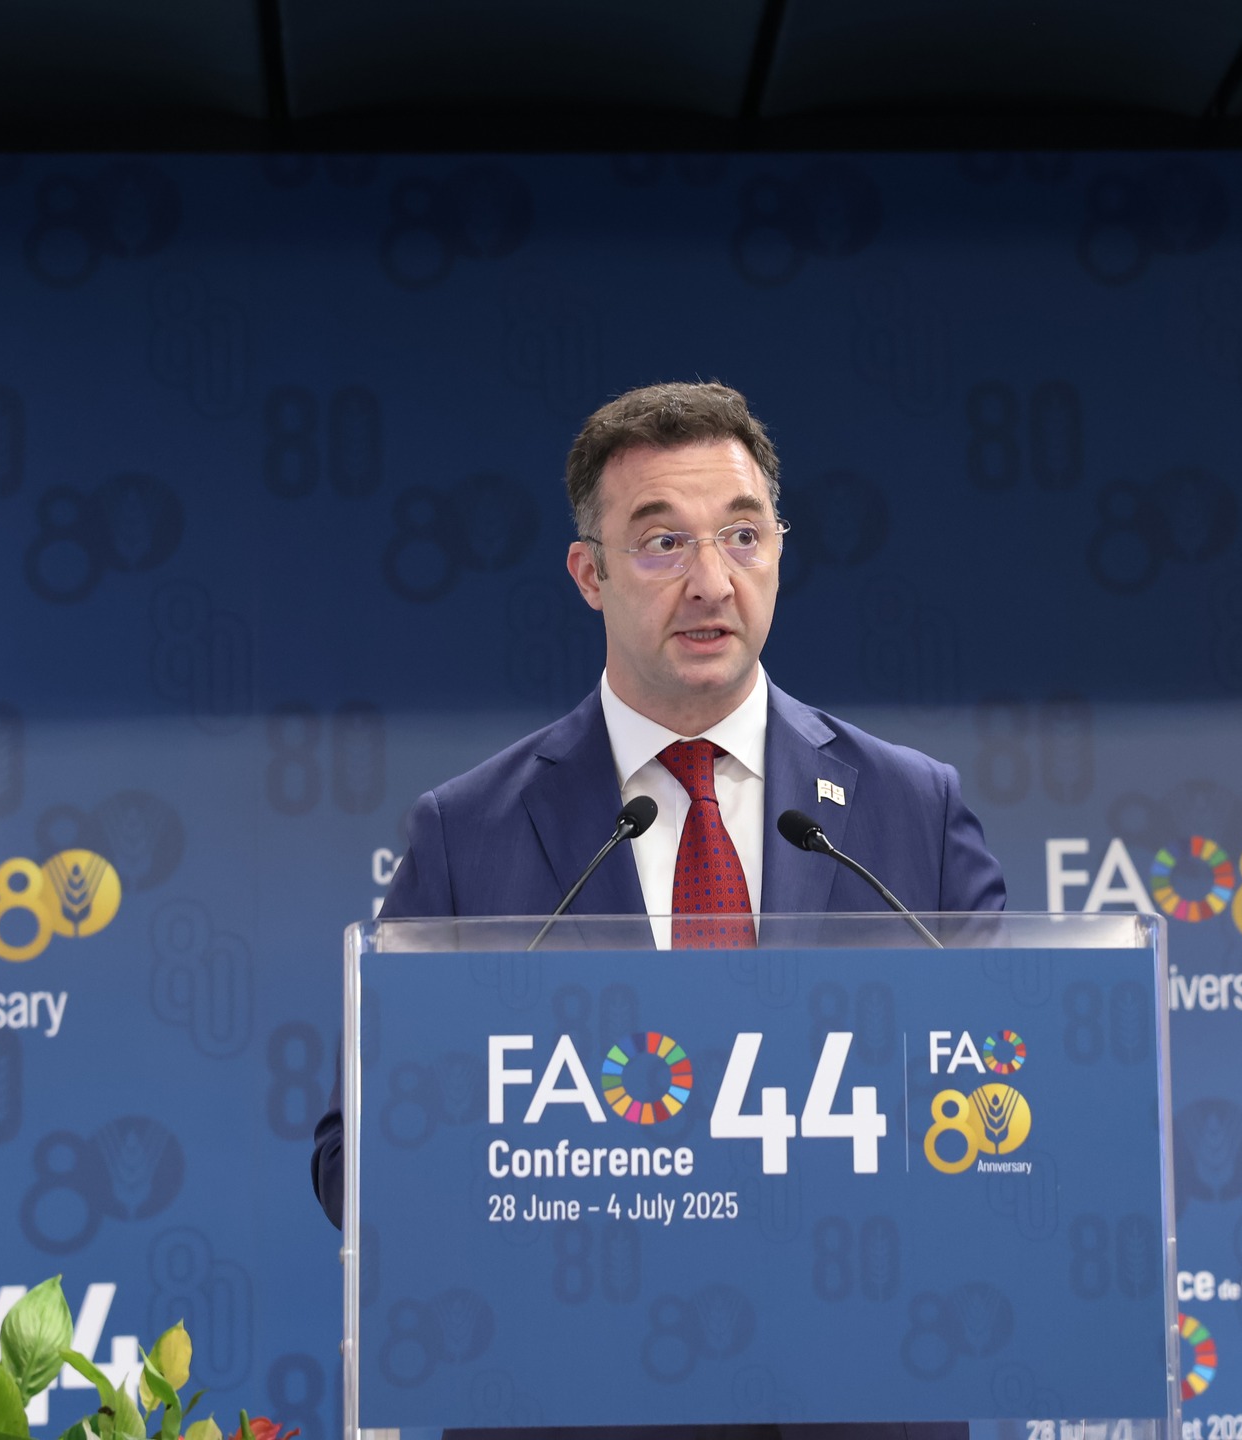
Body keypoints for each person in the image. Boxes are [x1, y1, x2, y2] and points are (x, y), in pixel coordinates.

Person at [311, 380, 1004, 1440]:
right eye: (662, 544)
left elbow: (1015, 1098)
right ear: (588, 574)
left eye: (742, 535)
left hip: (857, 1394)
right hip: (569, 1398)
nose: (711, 581)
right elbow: (353, 1158)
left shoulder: (911, 809)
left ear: (781, 550)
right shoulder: (467, 834)